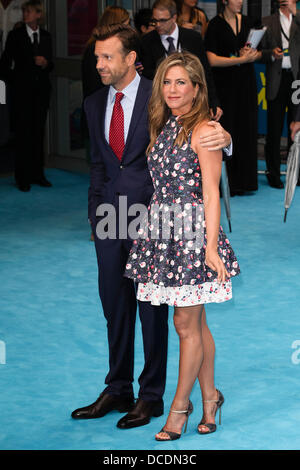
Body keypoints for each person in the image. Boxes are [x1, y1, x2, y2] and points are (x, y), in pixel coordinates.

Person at [71, 24, 233, 430]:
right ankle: (132, 388)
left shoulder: (175, 110)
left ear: (131, 59)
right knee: (125, 307)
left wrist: (225, 136)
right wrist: (96, 211)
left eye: (108, 57)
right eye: (97, 58)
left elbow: (209, 172)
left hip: (175, 228)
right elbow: (99, 162)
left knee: (169, 319)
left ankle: (165, 401)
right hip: (128, 223)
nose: (100, 64)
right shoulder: (116, 108)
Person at [124, 51, 240, 441]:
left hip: (191, 236)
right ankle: (210, 397)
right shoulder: (165, 123)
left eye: (181, 83)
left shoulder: (205, 129)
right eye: (167, 82)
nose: (173, 89)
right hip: (162, 232)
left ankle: (179, 408)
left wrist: (209, 247)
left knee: (183, 324)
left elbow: (210, 192)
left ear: (196, 89)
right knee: (196, 322)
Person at [205, 0, 261, 196]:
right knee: (227, 130)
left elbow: (258, 51)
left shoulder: (248, 21)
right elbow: (210, 59)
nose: (241, 1)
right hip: (224, 85)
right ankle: (225, 183)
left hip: (246, 83)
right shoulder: (214, 25)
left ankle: (245, 182)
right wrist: (239, 60)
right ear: (225, 1)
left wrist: (252, 55)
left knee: (246, 129)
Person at [0, 0, 53, 192]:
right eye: (24, 12)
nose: (25, 15)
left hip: (41, 93)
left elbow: (52, 64)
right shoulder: (16, 35)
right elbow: (5, 64)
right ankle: (22, 177)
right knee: (23, 135)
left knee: (38, 134)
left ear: (38, 14)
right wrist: (18, 79)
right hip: (22, 93)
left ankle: (38, 174)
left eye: (29, 12)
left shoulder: (46, 36)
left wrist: (45, 63)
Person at [140, 0, 222, 121]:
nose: (157, 25)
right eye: (154, 20)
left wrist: (213, 102)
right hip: (161, 106)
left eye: (162, 20)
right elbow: (147, 74)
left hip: (193, 105)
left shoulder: (193, 38)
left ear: (174, 18)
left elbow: (205, 71)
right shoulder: (147, 41)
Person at [260, 0, 300, 188]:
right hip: (276, 80)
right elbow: (259, 50)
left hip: (296, 81)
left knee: (297, 129)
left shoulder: (299, 19)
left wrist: (296, 13)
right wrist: (271, 54)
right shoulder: (267, 21)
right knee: (274, 130)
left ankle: (296, 174)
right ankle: (273, 173)